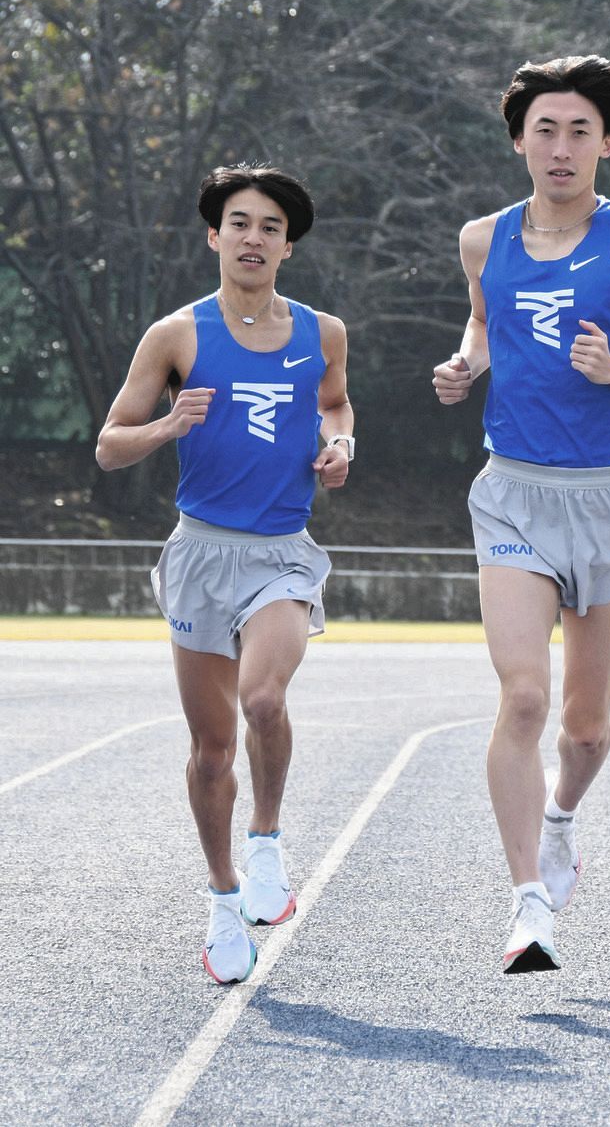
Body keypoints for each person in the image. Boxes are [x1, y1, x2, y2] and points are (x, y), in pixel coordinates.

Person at [433, 55, 610, 974]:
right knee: (523, 697)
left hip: (606, 495)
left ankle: (559, 817)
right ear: (518, 138)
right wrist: (465, 364)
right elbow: (481, 324)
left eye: (580, 130)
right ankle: (528, 905)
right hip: (511, 488)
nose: (560, 146)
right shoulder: (482, 239)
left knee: (583, 729)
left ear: (608, 143)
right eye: (544, 128)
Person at [96, 164, 354, 985]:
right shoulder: (177, 336)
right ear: (215, 236)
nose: (253, 237)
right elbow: (108, 445)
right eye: (238, 223)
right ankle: (221, 898)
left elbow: (338, 407)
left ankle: (268, 841)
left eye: (270, 227)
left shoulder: (324, 333)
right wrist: (169, 423)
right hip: (201, 553)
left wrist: (341, 444)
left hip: (281, 548)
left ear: (288, 245)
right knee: (212, 751)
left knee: (264, 699)